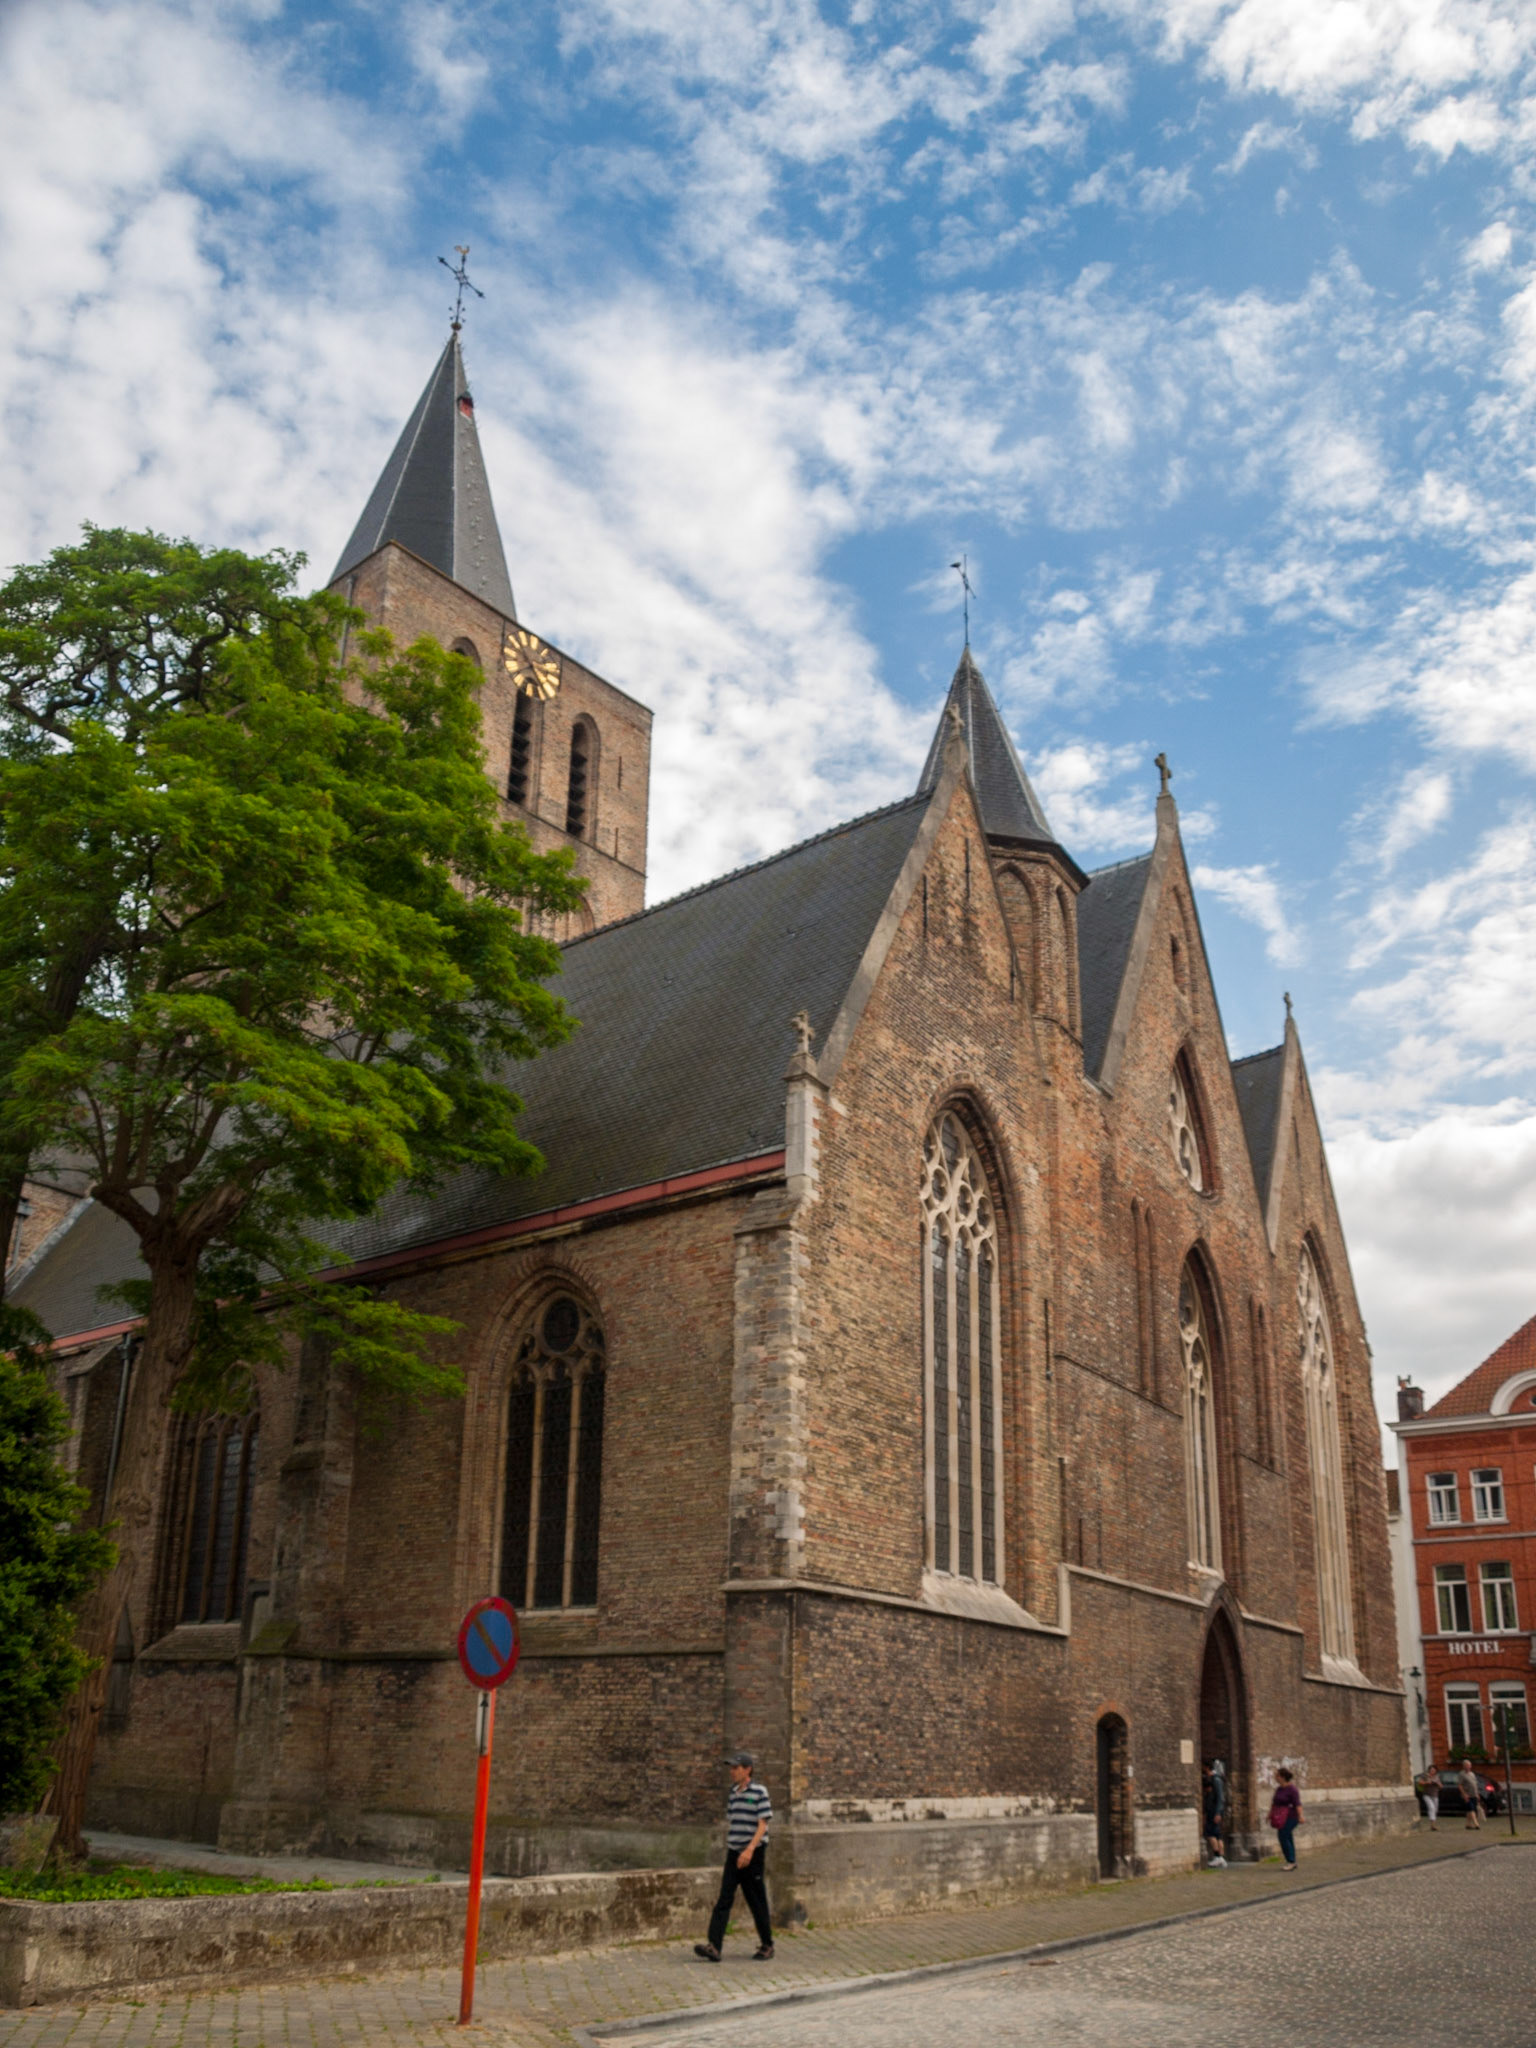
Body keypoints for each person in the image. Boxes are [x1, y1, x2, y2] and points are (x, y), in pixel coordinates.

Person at [695, 1751, 774, 1962]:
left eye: (736, 1768)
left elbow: (763, 1824)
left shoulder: (759, 1792)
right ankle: (714, 1946)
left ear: (747, 1770)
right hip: (734, 1852)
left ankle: (767, 1944)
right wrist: (737, 1850)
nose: (732, 1772)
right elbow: (734, 1820)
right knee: (724, 1898)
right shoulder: (733, 1792)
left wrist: (749, 1850)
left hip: (753, 1853)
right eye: (731, 1768)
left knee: (756, 1900)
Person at [1268, 1767, 1302, 1870]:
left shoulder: (1292, 1790)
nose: (1275, 1777)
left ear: (1282, 1777)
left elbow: (1297, 1804)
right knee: (1288, 1837)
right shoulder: (1279, 1789)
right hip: (1280, 1816)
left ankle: (1290, 1861)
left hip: (1291, 1816)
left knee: (1283, 1835)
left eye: (1277, 1775)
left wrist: (1300, 1816)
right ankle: (1292, 1861)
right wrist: (1270, 1814)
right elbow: (1274, 1803)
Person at [1201, 1761, 1227, 1867]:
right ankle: (1221, 1858)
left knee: (1211, 1834)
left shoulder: (1215, 1779)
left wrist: (1217, 1812)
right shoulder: (1215, 1778)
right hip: (1215, 1811)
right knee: (1218, 1835)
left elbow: (1220, 1798)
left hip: (1214, 1811)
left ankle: (1218, 1857)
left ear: (1207, 1767)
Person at [1457, 1760, 1483, 1830]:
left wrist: (1477, 1794)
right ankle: (1476, 1824)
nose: (1469, 1767)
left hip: (1473, 1794)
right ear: (1464, 1766)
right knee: (1471, 1809)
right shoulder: (1461, 1774)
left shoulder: (1472, 1774)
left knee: (1470, 1810)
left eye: (1469, 1765)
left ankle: (1468, 1824)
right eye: (1467, 1765)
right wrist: (1464, 1794)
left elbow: (1475, 1784)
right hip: (1467, 1795)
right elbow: (1459, 1785)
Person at [1416, 1762, 1441, 1831]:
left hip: (1435, 1795)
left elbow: (1441, 1786)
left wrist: (1437, 1783)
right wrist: (1427, 1782)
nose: (1433, 1771)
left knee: (1435, 1810)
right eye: (1431, 1770)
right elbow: (1420, 1783)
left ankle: (1433, 1824)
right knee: (1431, 1807)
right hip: (1426, 1795)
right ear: (1429, 1770)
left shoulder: (1437, 1777)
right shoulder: (1425, 1776)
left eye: (1434, 1770)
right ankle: (1432, 1825)